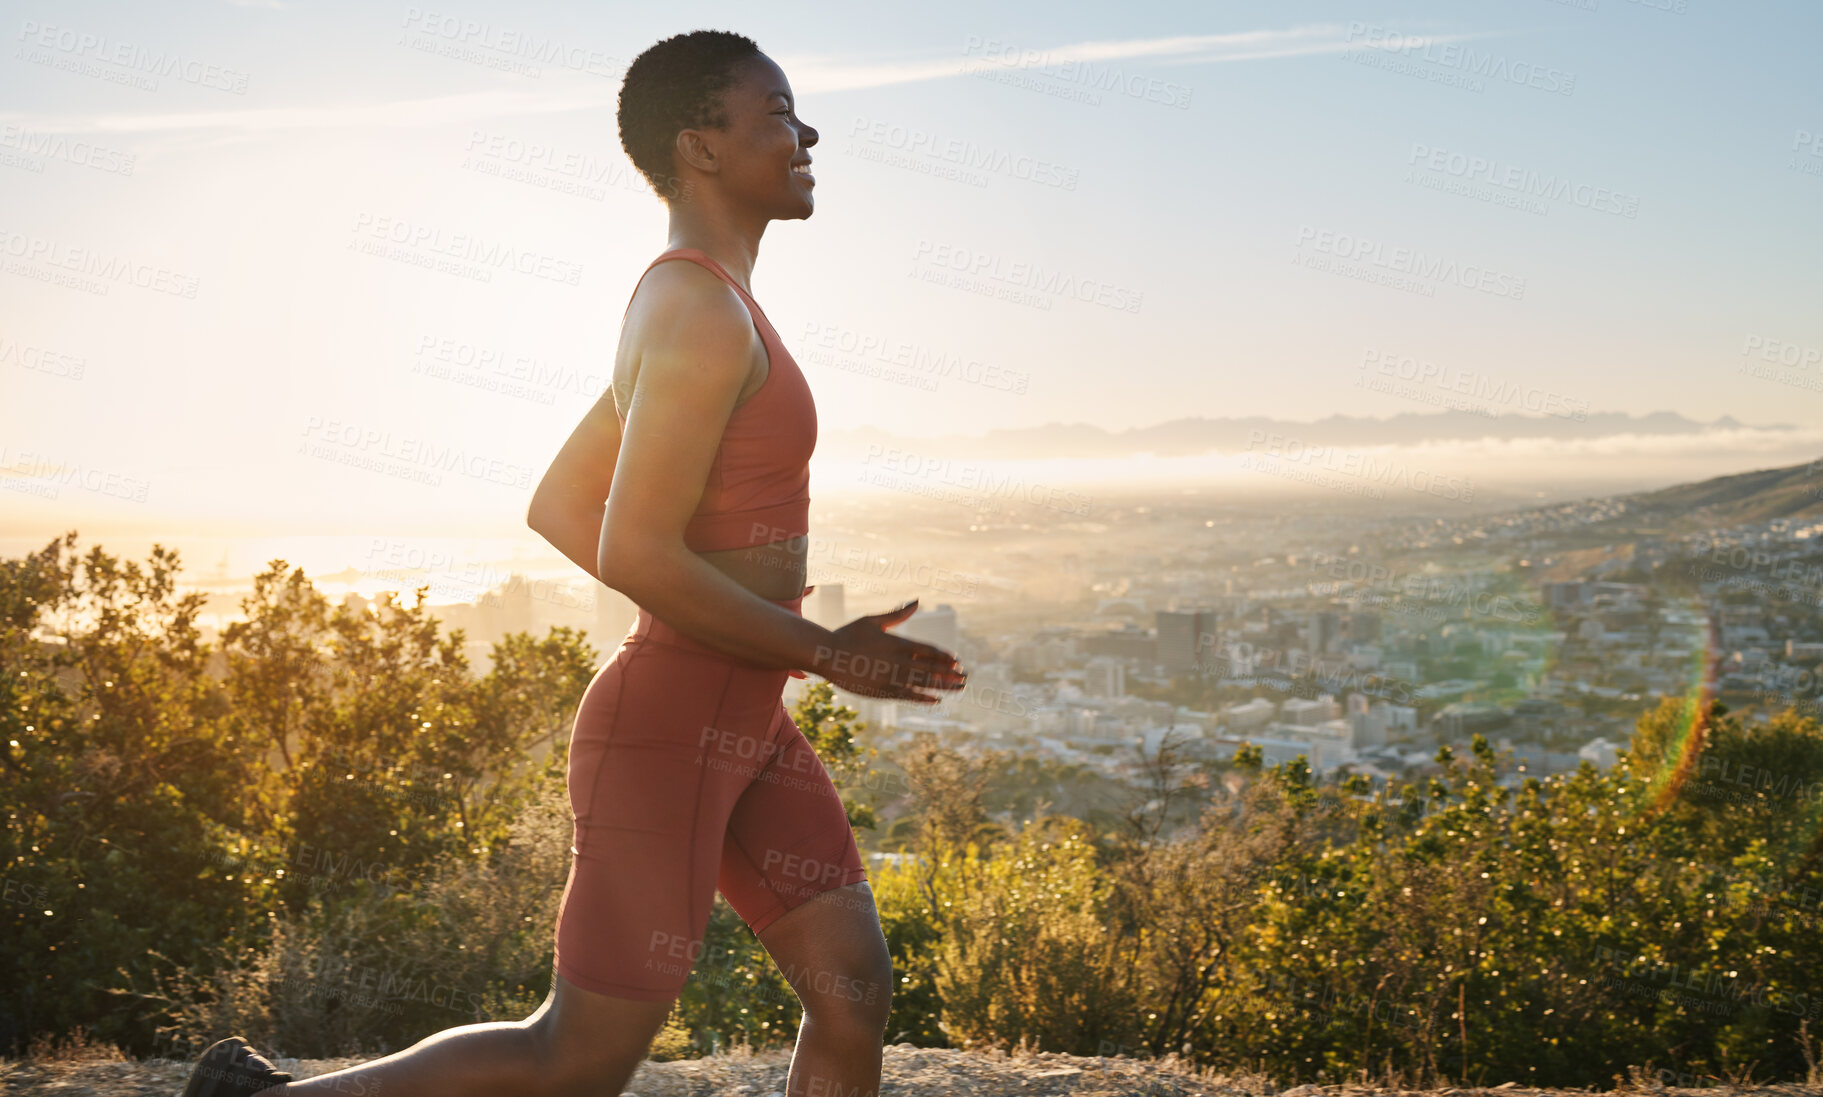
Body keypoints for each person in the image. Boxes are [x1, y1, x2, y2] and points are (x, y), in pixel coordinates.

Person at [182, 28, 966, 1097]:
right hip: (666, 725)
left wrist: (789, 654)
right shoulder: (692, 305)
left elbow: (559, 504)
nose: (805, 131)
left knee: (851, 986)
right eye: (777, 113)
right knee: (576, 1057)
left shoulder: (702, 301)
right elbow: (628, 542)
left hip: (743, 719)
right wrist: (824, 647)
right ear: (699, 146)